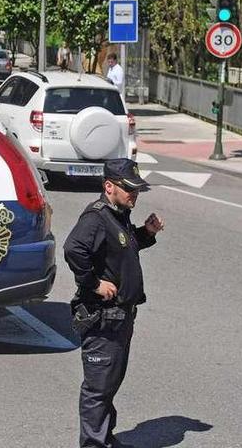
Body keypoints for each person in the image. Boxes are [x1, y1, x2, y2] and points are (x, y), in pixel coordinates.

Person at [63, 158, 165, 448]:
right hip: (103, 317)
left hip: (121, 316)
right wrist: (94, 284)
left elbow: (123, 245)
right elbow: (74, 249)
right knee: (98, 388)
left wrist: (146, 233)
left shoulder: (117, 214)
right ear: (109, 187)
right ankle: (94, 444)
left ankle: (105, 438)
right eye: (129, 189)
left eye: (137, 190)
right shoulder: (96, 217)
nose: (134, 195)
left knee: (109, 384)